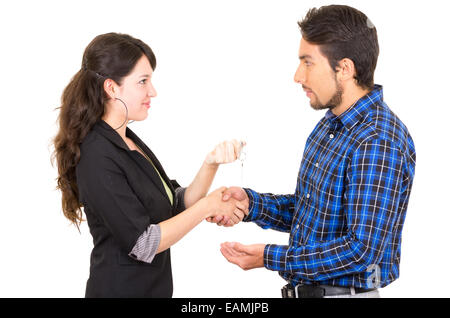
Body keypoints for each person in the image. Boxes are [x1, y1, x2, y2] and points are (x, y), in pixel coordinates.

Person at [217, 5, 416, 298]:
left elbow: (359, 251)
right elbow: (313, 213)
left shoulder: (378, 140)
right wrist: (252, 204)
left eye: (308, 62)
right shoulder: (331, 126)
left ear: (345, 68)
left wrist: (269, 257)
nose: (298, 76)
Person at [52, 32, 248, 297]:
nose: (152, 92)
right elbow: (143, 243)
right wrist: (208, 206)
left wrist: (210, 164)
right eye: (143, 82)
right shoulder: (97, 154)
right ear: (111, 88)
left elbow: (175, 206)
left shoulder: (128, 140)